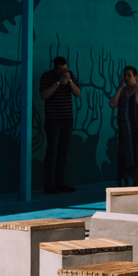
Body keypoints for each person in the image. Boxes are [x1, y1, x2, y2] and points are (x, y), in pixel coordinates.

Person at [39, 55, 81, 194]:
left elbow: (77, 93)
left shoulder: (69, 75)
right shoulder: (46, 76)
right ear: (54, 68)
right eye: (60, 69)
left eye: (65, 69)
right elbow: (44, 95)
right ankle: (49, 184)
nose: (63, 71)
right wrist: (58, 83)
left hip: (67, 119)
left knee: (63, 152)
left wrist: (68, 81)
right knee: (52, 151)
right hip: (53, 120)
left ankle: (60, 182)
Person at [109, 65, 138, 186]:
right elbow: (112, 103)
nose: (127, 77)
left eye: (130, 75)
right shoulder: (123, 91)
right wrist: (119, 88)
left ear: (135, 76)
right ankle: (136, 181)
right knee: (129, 157)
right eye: (125, 75)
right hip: (126, 131)